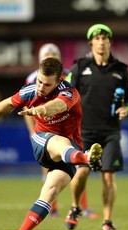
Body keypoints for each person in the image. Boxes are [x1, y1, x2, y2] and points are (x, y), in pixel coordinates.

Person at [0, 57, 103, 230]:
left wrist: (41, 109)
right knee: (61, 142)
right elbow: (9, 103)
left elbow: (58, 106)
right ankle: (86, 159)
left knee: (49, 193)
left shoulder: (69, 93)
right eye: (39, 81)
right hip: (43, 142)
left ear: (59, 82)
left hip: (68, 153)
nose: (41, 87)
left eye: (47, 84)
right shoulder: (31, 90)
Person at [64, 24, 128, 230]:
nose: (101, 42)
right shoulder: (79, 67)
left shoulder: (121, 70)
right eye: (97, 38)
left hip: (110, 132)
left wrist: (127, 109)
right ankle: (75, 207)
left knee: (108, 176)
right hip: (83, 131)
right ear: (91, 43)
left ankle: (107, 221)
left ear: (110, 42)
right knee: (82, 173)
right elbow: (65, 92)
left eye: (105, 38)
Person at [24, 43, 98, 218]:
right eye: (47, 55)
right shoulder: (33, 78)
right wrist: (32, 131)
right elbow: (27, 106)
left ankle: (81, 207)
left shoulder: (68, 75)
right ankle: (53, 208)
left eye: (53, 55)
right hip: (45, 129)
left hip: (67, 129)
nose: (50, 58)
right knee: (49, 169)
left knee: (78, 166)